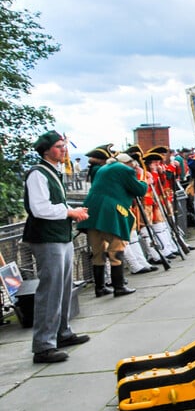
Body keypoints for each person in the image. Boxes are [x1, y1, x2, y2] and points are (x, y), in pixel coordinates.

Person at [22, 130, 91, 364]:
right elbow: (40, 208)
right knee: (50, 290)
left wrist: (71, 210)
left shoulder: (53, 171)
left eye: (64, 146)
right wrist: (70, 212)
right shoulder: (37, 174)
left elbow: (56, 204)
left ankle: (62, 332)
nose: (64, 149)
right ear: (46, 150)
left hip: (60, 235)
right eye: (59, 146)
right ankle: (43, 345)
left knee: (62, 288)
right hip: (47, 237)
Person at [76, 153, 147, 297]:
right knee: (117, 248)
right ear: (128, 163)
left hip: (92, 212)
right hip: (110, 212)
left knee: (98, 252)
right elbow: (139, 190)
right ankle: (119, 286)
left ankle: (100, 288)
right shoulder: (125, 170)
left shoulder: (103, 168)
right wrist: (144, 180)